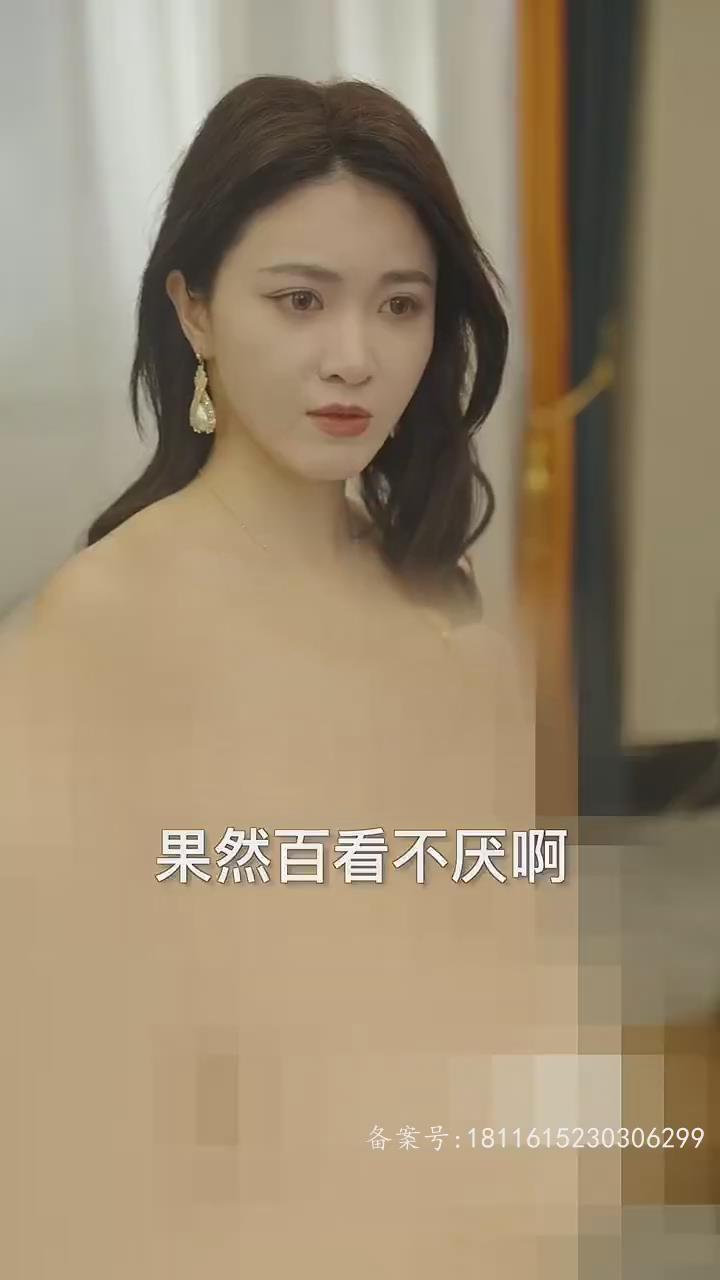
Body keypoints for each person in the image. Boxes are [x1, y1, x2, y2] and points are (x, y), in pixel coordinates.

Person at [0, 77, 573, 1279]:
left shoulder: (433, 589)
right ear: (195, 309)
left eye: (401, 304)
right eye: (300, 300)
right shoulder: (106, 621)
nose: (353, 357)